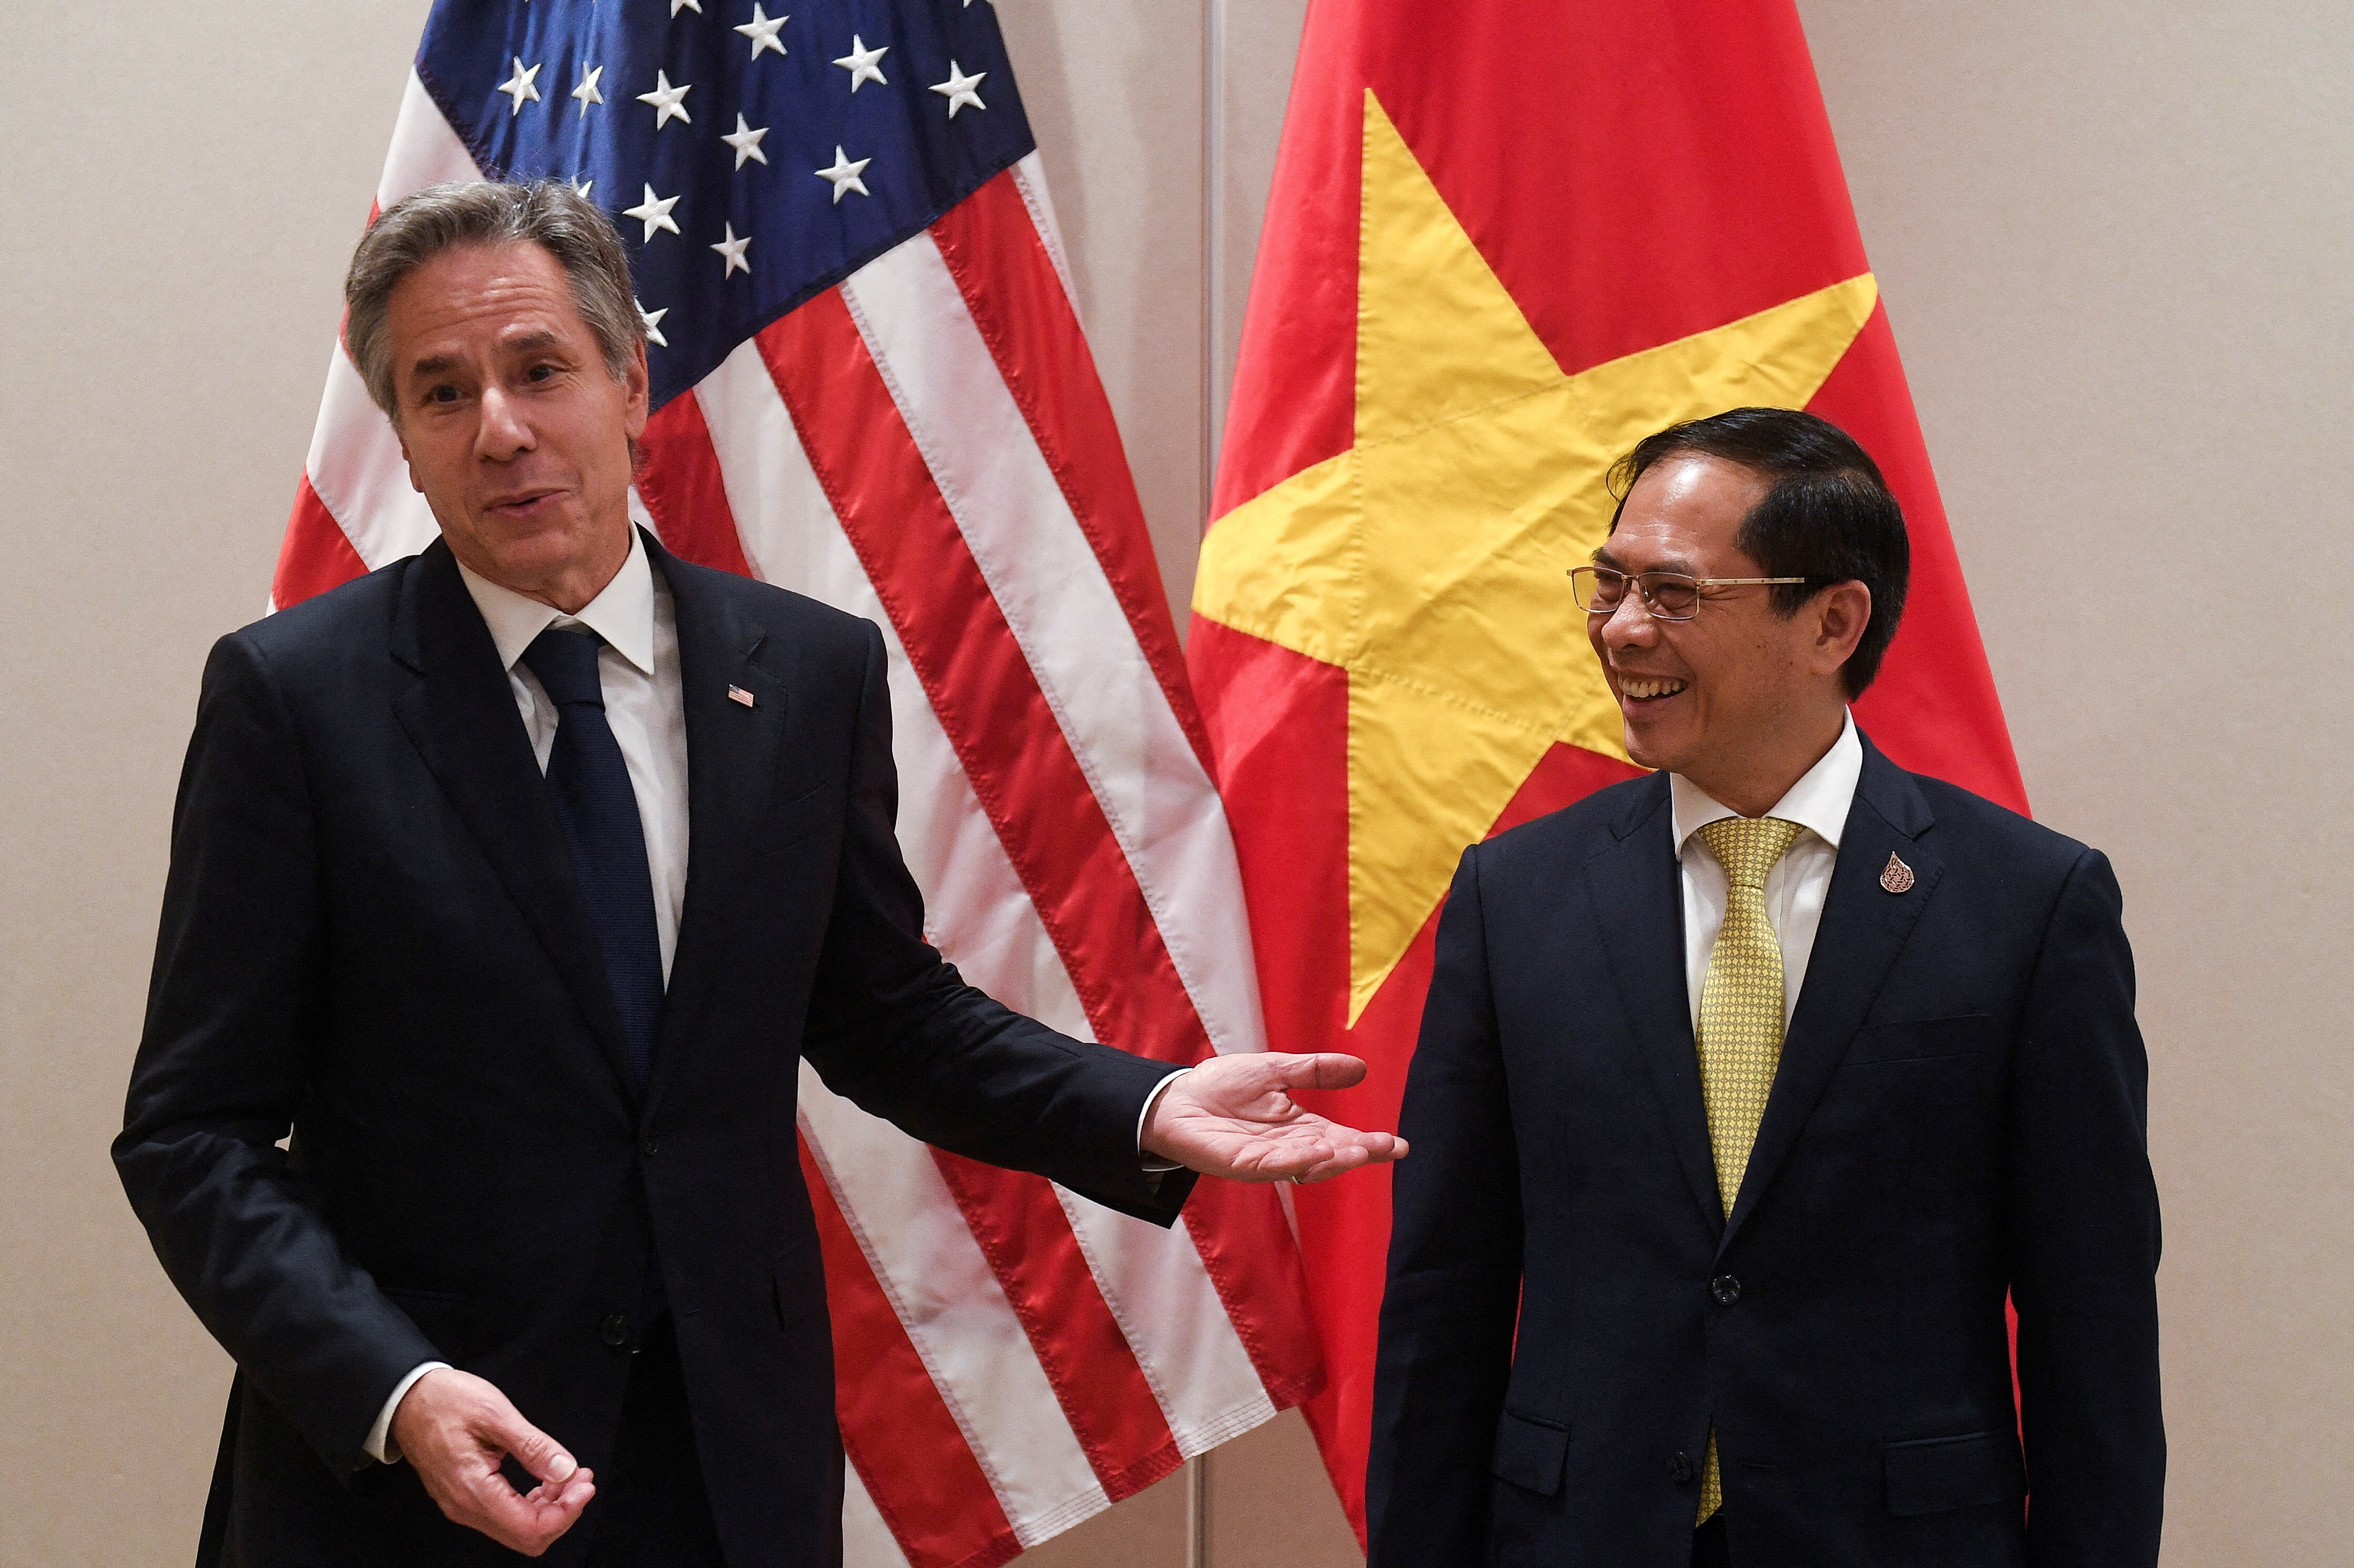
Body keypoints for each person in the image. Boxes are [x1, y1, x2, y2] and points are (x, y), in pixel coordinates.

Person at [115, 180, 1402, 1568]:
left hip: (725, 1466)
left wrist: (1144, 1102)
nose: (501, 428)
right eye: (442, 393)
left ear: (629, 383)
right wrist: (394, 1388)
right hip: (411, 1480)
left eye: (540, 369)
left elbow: (883, 1015)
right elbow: (193, 1130)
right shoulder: (296, 703)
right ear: (407, 444)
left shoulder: (802, 674)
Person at [1364, 407, 2162, 1567]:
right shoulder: (1514, 895)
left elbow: (2089, 1322)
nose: (1622, 630)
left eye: (1674, 594)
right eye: (1609, 584)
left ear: (1832, 621)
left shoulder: (2028, 905)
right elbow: (1444, 1299)